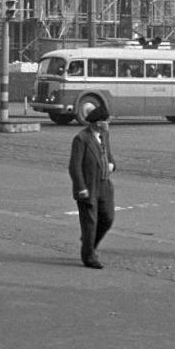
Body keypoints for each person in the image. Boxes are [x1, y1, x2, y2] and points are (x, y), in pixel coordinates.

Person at [68, 105, 116, 269]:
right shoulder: (81, 139)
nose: (107, 124)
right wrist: (81, 187)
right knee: (90, 222)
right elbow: (75, 167)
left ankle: (89, 243)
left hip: (104, 184)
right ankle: (88, 256)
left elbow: (109, 155)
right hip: (89, 186)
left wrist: (112, 164)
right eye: (105, 121)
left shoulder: (104, 135)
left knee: (108, 218)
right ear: (97, 122)